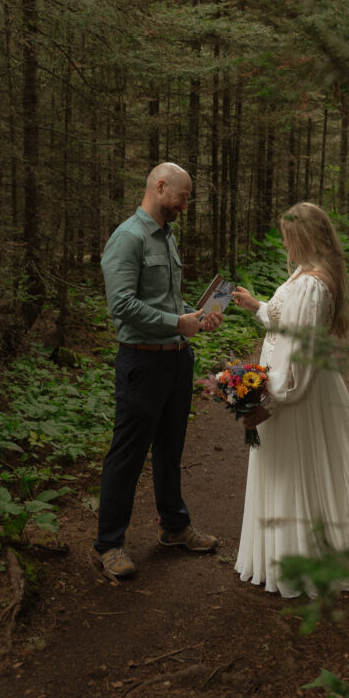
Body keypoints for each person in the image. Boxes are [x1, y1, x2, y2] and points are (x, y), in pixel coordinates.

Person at [232, 202, 349, 598]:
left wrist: (272, 400)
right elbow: (287, 323)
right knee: (285, 468)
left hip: (297, 396)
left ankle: (299, 562)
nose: (283, 244)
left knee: (294, 468)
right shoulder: (303, 275)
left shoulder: (313, 284)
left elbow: (301, 355)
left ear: (303, 237)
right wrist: (258, 307)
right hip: (286, 388)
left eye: (287, 237)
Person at [95, 162, 223, 580]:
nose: (185, 206)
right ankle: (110, 544)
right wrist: (175, 323)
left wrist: (194, 317)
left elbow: (166, 300)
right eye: (182, 197)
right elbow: (122, 306)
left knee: (170, 448)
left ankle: (174, 527)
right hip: (142, 361)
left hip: (176, 359)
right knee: (128, 453)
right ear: (160, 186)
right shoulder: (127, 238)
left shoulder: (166, 237)